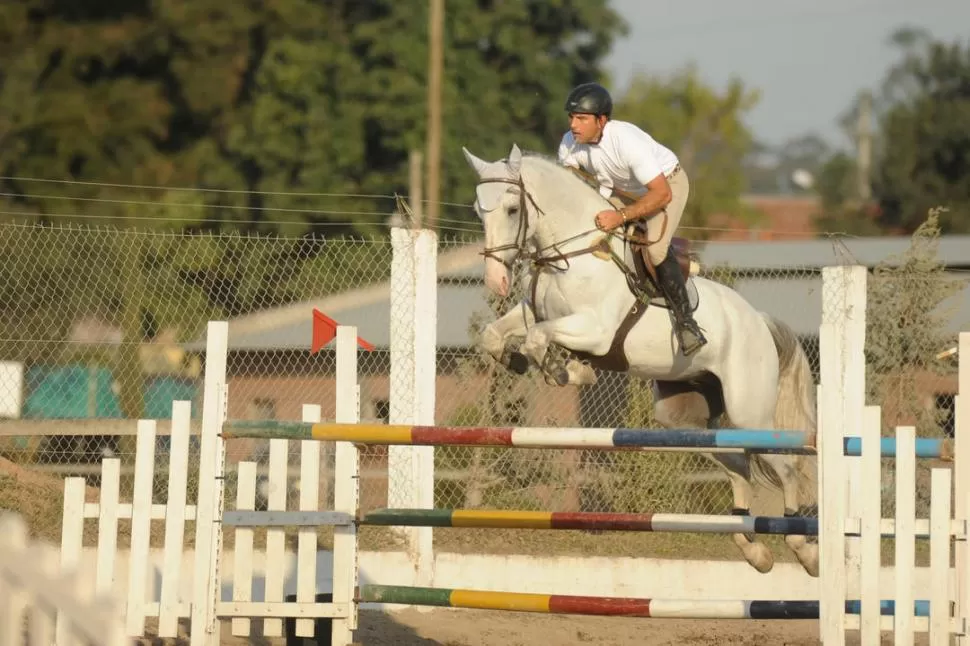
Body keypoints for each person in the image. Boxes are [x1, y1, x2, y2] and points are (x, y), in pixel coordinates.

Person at [556, 81, 707, 357]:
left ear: (601, 120)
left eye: (581, 118)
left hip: (666, 186)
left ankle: (687, 323)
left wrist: (620, 216)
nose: (573, 125)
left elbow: (661, 195)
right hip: (622, 192)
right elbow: (569, 186)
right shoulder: (569, 143)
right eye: (571, 117)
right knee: (586, 232)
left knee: (655, 248)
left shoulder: (625, 141)